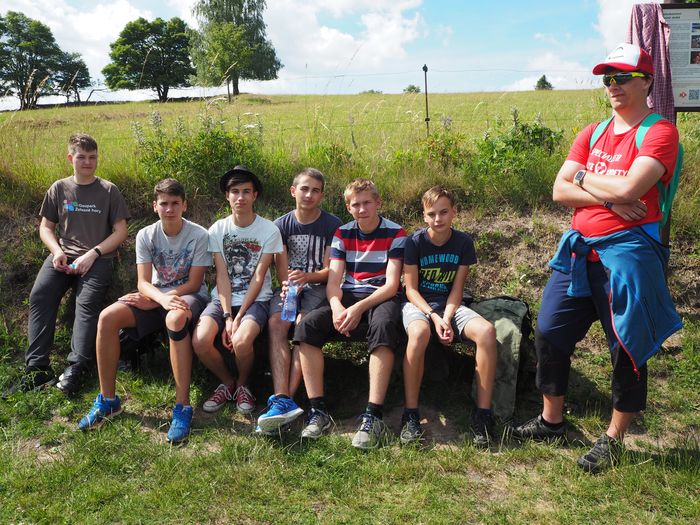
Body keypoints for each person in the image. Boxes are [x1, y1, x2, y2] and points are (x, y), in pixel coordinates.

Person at [512, 43, 683, 473]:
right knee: (549, 331)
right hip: (579, 252)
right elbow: (560, 190)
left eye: (622, 77)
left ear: (646, 81)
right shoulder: (592, 132)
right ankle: (552, 421)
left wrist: (586, 176)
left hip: (629, 254)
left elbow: (630, 189)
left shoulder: (660, 132)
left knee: (627, 344)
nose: (613, 85)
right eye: (608, 78)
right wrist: (608, 198)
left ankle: (615, 436)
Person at [77, 179, 210, 443]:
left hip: (188, 296)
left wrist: (161, 300)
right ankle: (108, 401)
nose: (169, 209)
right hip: (156, 295)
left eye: (175, 203)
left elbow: (194, 283)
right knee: (107, 317)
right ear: (154, 206)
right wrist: (158, 298)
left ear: (184, 205)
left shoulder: (199, 235)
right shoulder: (146, 235)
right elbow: (143, 282)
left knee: (175, 319)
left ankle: (182, 407)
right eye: (164, 204)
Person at [3, 134, 129, 398]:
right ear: (70, 158)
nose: (88, 162)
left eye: (92, 157)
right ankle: (37, 369)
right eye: (81, 157)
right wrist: (56, 251)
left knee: (86, 304)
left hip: (98, 259)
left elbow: (121, 232)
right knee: (40, 295)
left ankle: (76, 367)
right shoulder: (59, 188)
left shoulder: (109, 191)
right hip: (62, 257)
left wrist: (93, 254)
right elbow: (46, 227)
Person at [294, 178, 406, 449]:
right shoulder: (342, 233)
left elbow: (392, 285)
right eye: (356, 205)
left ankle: (373, 415)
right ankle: (318, 411)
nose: (362, 209)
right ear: (348, 207)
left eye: (367, 203)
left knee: (383, 327)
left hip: (381, 295)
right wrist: (337, 308)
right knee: (307, 326)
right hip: (348, 293)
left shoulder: (396, 233)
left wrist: (357, 309)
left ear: (378, 203)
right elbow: (333, 281)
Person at [400, 186, 497, 446]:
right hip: (419, 305)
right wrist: (434, 317)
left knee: (487, 332)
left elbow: (457, 289)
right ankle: (410, 414)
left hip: (450, 305)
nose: (438, 219)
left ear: (454, 212)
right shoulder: (414, 242)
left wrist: (448, 317)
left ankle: (483, 415)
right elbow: (411, 290)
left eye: (443, 212)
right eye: (431, 214)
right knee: (419, 333)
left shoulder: (463, 243)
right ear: (424, 216)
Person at [256, 168, 342, 435]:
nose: (309, 195)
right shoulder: (280, 225)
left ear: (322, 195)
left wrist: (307, 277)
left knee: (303, 325)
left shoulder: (332, 225)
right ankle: (281, 398)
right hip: (291, 287)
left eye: (315, 190)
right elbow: (282, 270)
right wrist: (288, 288)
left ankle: (287, 401)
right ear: (293, 191)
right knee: (277, 323)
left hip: (318, 287)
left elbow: (331, 271)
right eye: (304, 189)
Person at [192, 166, 283, 416]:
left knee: (242, 341)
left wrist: (239, 315)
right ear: (227, 196)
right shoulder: (217, 230)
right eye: (235, 192)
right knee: (200, 341)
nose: (240, 197)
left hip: (256, 300)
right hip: (222, 300)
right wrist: (227, 316)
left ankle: (244, 385)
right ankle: (227, 383)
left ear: (255, 196)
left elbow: (259, 276)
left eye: (246, 191)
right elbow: (221, 275)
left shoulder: (269, 230)